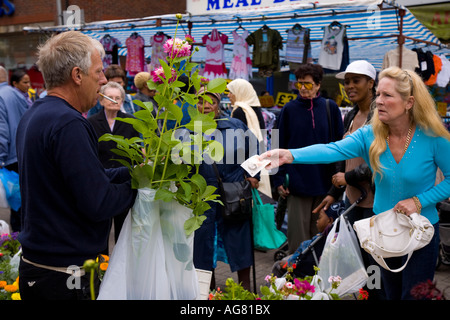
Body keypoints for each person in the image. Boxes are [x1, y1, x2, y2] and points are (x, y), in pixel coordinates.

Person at [260, 66, 450, 300]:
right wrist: (290, 155)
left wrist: (419, 201)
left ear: (409, 102)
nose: (378, 101)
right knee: (387, 295)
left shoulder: (433, 138)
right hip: (382, 234)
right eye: (378, 94)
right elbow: (332, 150)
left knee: (416, 296)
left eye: (387, 95)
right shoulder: (370, 134)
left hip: (420, 235)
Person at [16, 31, 137, 300]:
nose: (104, 80)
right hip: (64, 275)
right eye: (99, 72)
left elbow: (78, 181)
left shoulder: (35, 114)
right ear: (77, 75)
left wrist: (131, 172)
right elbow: (99, 202)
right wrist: (138, 185)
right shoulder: (69, 123)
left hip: (40, 270)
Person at [193, 87, 259, 291]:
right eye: (200, 102)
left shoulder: (235, 125)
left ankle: (245, 292)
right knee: (204, 247)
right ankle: (208, 293)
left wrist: (252, 175)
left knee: (240, 242)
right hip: (203, 197)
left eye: (210, 102)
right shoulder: (188, 129)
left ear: (218, 104)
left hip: (234, 192)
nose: (205, 106)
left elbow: (255, 149)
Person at [273, 63, 344, 254]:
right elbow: (276, 143)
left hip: (325, 185)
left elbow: (341, 146)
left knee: (321, 240)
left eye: (308, 84)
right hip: (296, 186)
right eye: (299, 84)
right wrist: (278, 179)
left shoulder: (331, 108)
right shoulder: (288, 109)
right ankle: (295, 283)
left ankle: (319, 282)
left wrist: (338, 180)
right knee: (297, 241)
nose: (303, 88)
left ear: (318, 85)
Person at [88, 81, 141, 245]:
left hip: (124, 183)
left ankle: (119, 268)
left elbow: (138, 150)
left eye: (118, 98)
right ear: (101, 100)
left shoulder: (131, 122)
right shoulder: (91, 123)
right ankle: (100, 266)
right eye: (109, 97)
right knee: (99, 229)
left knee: (123, 230)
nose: (114, 101)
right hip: (100, 181)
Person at [272, 200, 345, 278]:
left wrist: (289, 263)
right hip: (327, 272)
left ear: (330, 220)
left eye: (320, 218)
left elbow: (296, 260)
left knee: (278, 265)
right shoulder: (340, 240)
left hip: (305, 272)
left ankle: (273, 287)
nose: (317, 221)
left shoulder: (318, 240)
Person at [227, 78, 271, 197]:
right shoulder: (255, 109)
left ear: (240, 92)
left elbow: (240, 143)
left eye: (231, 92)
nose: (228, 95)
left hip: (246, 166)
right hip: (258, 159)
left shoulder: (240, 111)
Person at [0, 66, 29, 232]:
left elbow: (2, 130)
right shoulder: (15, 93)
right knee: (21, 202)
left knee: (15, 204)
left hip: (10, 156)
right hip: (21, 153)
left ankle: (17, 246)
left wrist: (1, 158)